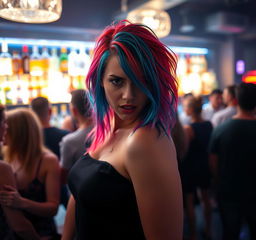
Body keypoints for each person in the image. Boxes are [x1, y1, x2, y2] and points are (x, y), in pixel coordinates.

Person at [62, 21, 183, 240]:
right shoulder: (107, 126)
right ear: (100, 81)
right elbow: (79, 196)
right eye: (117, 81)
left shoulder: (145, 141)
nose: (129, 95)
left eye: (140, 82)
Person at [0, 108, 60, 239]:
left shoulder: (48, 160)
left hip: (41, 233)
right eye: (4, 124)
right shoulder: (7, 158)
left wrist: (22, 202)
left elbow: (53, 208)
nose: (4, 129)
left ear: (18, 132)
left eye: (7, 125)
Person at [209, 82, 256, 240]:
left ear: (236, 100)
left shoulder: (221, 129)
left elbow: (213, 161)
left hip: (228, 190)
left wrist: (217, 182)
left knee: (230, 232)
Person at [0, 104, 40, 240]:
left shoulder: (45, 160)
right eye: (4, 122)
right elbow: (20, 226)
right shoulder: (3, 168)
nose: (7, 127)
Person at [181, 96, 213, 240]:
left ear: (191, 110)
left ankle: (193, 234)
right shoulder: (209, 125)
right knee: (206, 198)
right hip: (205, 165)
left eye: (186, 107)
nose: (185, 109)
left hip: (191, 167)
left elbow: (184, 151)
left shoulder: (188, 129)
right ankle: (208, 229)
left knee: (189, 202)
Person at [31, 97, 70, 208]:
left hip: (37, 187)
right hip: (62, 184)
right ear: (50, 111)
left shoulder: (29, 139)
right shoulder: (65, 136)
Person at [60, 89, 93, 183]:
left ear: (74, 111)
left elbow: (63, 178)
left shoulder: (69, 141)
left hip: (77, 194)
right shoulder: (106, 132)